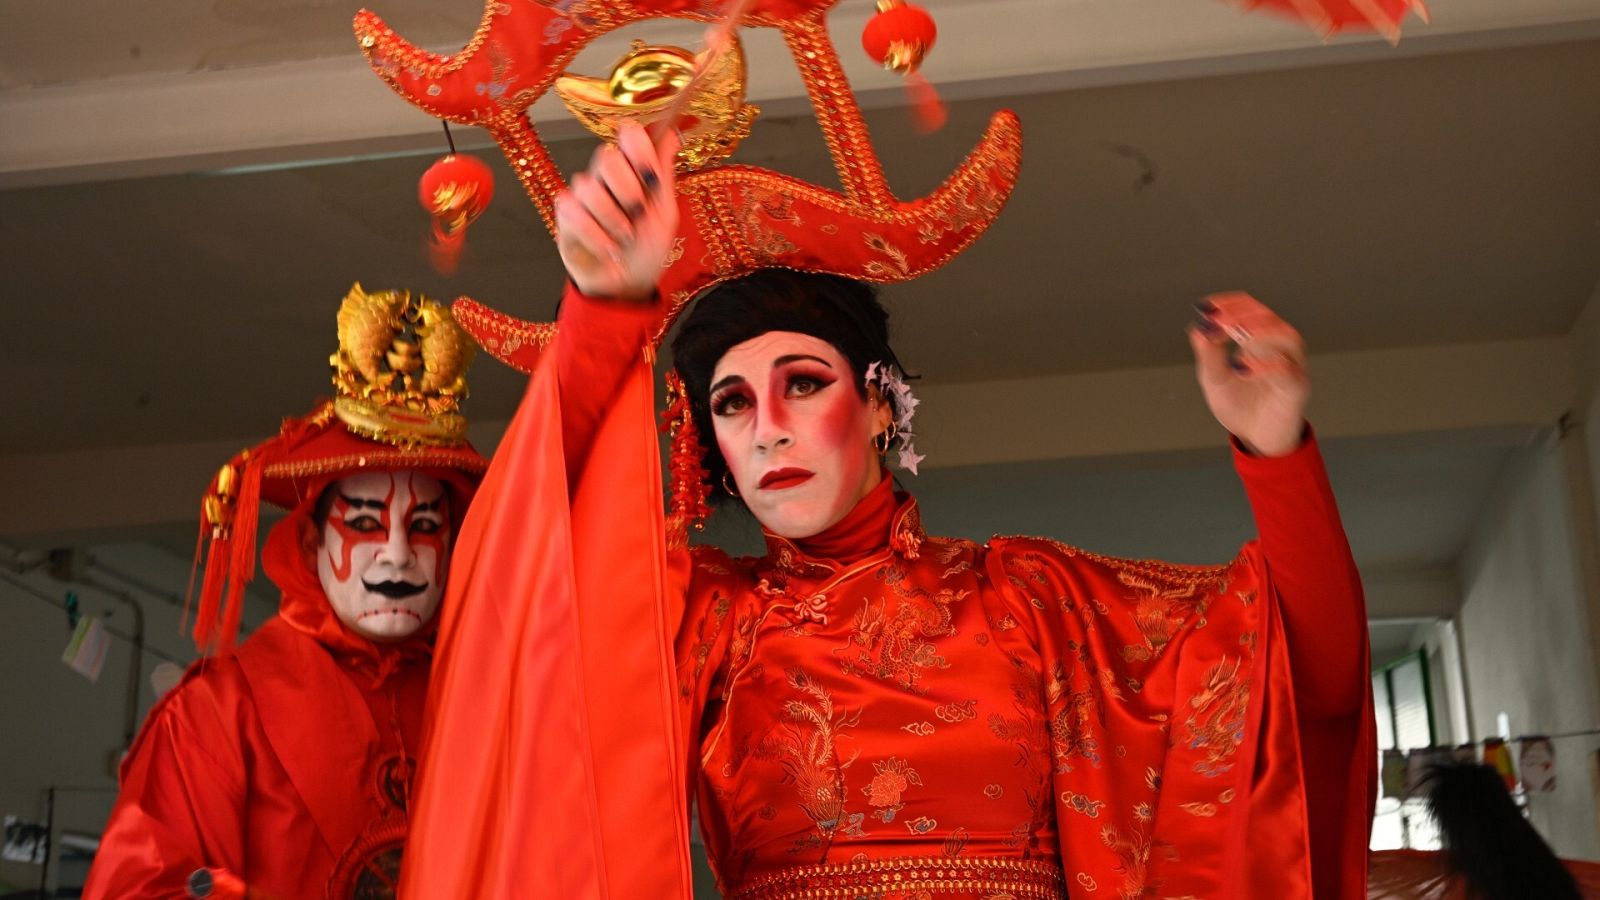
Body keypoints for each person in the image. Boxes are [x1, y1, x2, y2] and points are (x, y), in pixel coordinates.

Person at [401, 117, 1376, 900]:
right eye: (732, 405)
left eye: (802, 384)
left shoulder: (1030, 598)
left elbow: (1304, 682)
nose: (768, 428)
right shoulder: (709, 618)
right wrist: (599, 316)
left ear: (876, 403)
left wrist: (1275, 449)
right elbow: (514, 620)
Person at [83, 284, 487, 899]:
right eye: (363, 523)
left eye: (426, 527)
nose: (398, 553)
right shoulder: (218, 712)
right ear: (311, 544)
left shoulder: (485, 703)